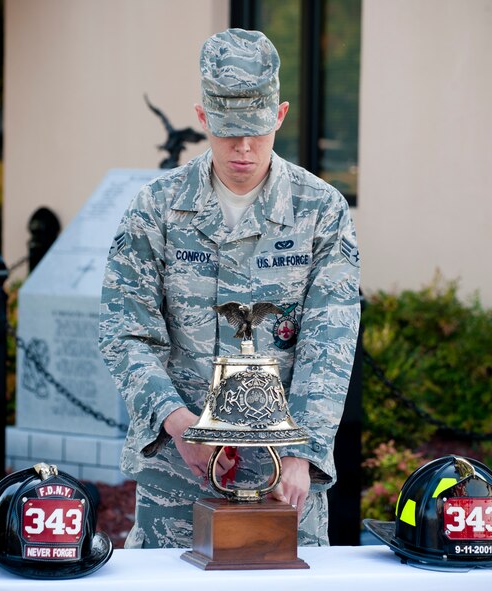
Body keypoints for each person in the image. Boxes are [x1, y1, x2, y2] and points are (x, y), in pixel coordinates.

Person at [98, 28, 360, 549]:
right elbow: (123, 332)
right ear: (201, 119)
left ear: (280, 115)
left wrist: (301, 455)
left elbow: (329, 343)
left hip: (286, 478)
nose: (243, 148)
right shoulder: (156, 209)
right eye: (227, 131)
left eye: (257, 132)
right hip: (179, 475)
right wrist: (177, 423)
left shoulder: (321, 211)